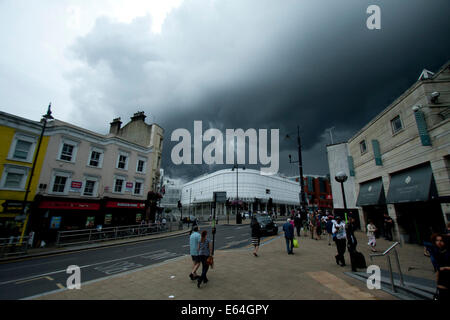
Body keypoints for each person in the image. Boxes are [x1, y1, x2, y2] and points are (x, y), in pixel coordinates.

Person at [424, 234, 450, 301]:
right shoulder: (438, 252)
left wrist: (446, 268)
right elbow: (438, 269)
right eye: (437, 240)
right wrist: (437, 280)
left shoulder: (447, 252)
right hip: (442, 279)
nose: (439, 242)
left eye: (441, 240)